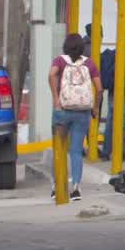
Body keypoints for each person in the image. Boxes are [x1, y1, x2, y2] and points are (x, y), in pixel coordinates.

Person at [48, 34, 102, 201]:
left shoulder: (60, 60)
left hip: (62, 110)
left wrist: (56, 99)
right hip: (83, 112)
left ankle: (57, 187)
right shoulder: (89, 63)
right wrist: (95, 108)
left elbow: (51, 75)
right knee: (76, 151)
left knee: (59, 149)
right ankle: (76, 188)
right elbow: (99, 89)